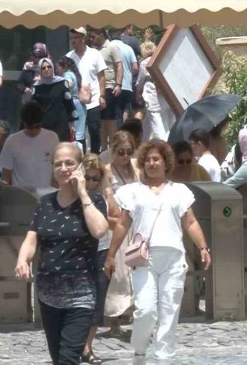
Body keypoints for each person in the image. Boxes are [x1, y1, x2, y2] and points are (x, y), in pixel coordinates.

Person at [104, 139, 212, 364]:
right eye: (147, 160)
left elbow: (190, 222)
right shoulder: (132, 191)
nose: (151, 163)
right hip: (144, 258)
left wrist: (203, 247)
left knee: (169, 311)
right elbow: (122, 224)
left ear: (165, 162)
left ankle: (164, 357)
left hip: (173, 258)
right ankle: (140, 349)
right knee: (145, 310)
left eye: (156, 159)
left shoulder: (179, 191)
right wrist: (111, 254)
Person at [15, 143, 109, 365]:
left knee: (68, 358)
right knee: (58, 358)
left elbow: (100, 230)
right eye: (58, 164)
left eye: (70, 163)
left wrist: (83, 193)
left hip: (81, 293)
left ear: (80, 167)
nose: (64, 168)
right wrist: (22, 259)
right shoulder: (44, 203)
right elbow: (32, 238)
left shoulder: (93, 200)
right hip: (48, 294)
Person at [101, 132, 138, 339]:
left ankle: (133, 313)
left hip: (136, 225)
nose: (125, 156)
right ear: (113, 150)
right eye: (121, 152)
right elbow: (108, 198)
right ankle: (113, 320)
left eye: (129, 152)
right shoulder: (107, 171)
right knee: (117, 273)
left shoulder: (136, 169)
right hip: (117, 225)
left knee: (135, 271)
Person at [81, 153, 111, 364]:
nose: (91, 183)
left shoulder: (99, 199)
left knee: (98, 301)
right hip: (78, 254)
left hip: (101, 252)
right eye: (87, 178)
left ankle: (87, 346)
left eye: (95, 179)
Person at [0, 101, 60, 188]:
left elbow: (57, 169)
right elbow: (6, 176)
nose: (33, 130)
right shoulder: (11, 141)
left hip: (48, 193)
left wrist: (54, 190)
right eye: (30, 127)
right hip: (22, 194)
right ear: (24, 123)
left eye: (37, 127)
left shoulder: (53, 137)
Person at [66, 27, 107, 154]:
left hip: (93, 100)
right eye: (71, 38)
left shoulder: (95, 54)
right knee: (79, 133)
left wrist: (102, 96)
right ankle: (81, 156)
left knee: (94, 129)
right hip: (76, 102)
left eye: (76, 38)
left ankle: (95, 156)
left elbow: (101, 76)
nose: (73, 41)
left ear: (83, 38)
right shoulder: (68, 57)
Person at [89, 28, 124, 151]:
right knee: (100, 122)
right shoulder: (93, 51)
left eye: (93, 37)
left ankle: (113, 148)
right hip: (97, 89)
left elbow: (119, 65)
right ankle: (104, 149)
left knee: (110, 120)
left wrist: (118, 84)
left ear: (101, 34)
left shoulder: (112, 47)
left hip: (109, 87)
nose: (91, 39)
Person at [137, 41, 174, 142]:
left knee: (156, 122)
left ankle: (164, 144)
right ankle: (143, 142)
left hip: (152, 95)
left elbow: (140, 81)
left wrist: (138, 93)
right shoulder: (162, 59)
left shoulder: (145, 63)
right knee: (150, 122)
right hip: (166, 94)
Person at [32, 58, 76, 142]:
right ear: (40, 70)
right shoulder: (37, 87)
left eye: (49, 67)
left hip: (61, 123)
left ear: (52, 68)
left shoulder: (62, 83)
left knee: (61, 147)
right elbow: (34, 108)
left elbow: (69, 104)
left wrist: (72, 124)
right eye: (43, 68)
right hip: (44, 125)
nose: (47, 69)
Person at [56, 56, 86, 147]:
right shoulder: (73, 73)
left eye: (58, 67)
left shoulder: (67, 75)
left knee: (74, 134)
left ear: (64, 67)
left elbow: (69, 83)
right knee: (79, 134)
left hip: (72, 105)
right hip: (78, 105)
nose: (56, 70)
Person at [110, 34, 138, 125]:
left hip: (114, 85)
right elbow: (135, 68)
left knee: (116, 113)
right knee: (125, 111)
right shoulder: (128, 48)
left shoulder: (109, 47)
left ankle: (118, 131)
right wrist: (128, 74)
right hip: (127, 86)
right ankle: (125, 131)